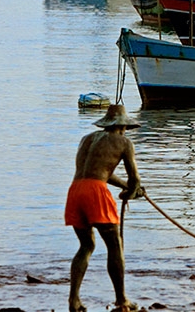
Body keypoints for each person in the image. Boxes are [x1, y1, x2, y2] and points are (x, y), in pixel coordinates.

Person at [65, 104, 143, 312]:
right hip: (96, 192)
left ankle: (73, 300)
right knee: (114, 245)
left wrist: (126, 187)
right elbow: (135, 180)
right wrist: (132, 190)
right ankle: (122, 300)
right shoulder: (124, 143)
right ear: (123, 127)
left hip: (76, 190)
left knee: (86, 246)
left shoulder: (87, 139)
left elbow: (100, 171)